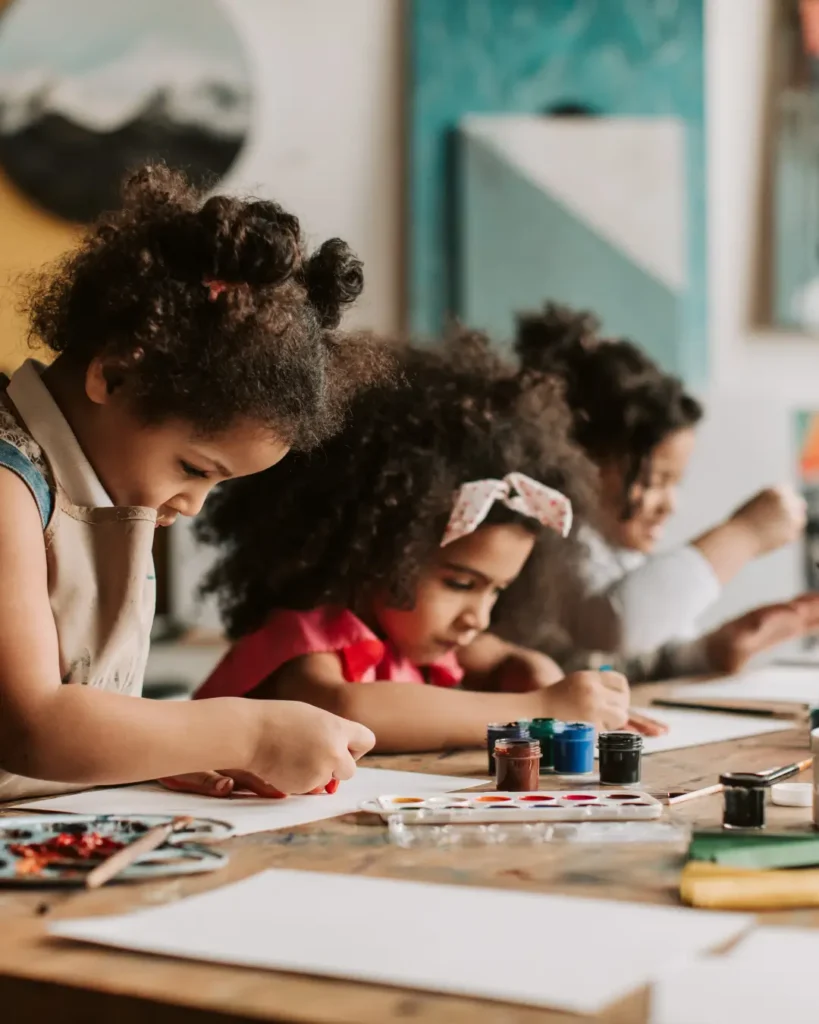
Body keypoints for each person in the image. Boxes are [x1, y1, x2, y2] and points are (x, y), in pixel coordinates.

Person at [0, 163, 380, 801]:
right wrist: (246, 730)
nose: (194, 505)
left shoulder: (96, 489)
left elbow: (86, 704)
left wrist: (156, 749)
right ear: (116, 376)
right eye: (195, 469)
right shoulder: (9, 486)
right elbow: (30, 725)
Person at [192, 329, 660, 756]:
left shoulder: (408, 633)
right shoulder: (306, 638)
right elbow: (346, 708)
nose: (478, 617)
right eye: (460, 582)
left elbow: (502, 658)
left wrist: (536, 673)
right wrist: (539, 707)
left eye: (496, 590)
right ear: (378, 551)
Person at [515, 303, 818, 678]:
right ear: (578, 459)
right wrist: (744, 534)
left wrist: (711, 650)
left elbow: (628, 658)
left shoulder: (614, 549)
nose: (670, 505)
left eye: (675, 482)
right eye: (653, 482)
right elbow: (617, 625)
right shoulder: (549, 534)